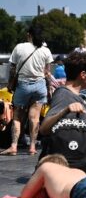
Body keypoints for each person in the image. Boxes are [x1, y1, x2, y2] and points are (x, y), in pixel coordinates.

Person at [1, 25, 53, 156]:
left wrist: (10, 85)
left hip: (23, 85)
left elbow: (12, 69)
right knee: (34, 118)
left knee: (18, 116)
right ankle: (33, 147)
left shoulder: (19, 47)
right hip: (40, 85)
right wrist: (48, 89)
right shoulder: (45, 50)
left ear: (29, 35)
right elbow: (47, 72)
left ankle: (13, 146)